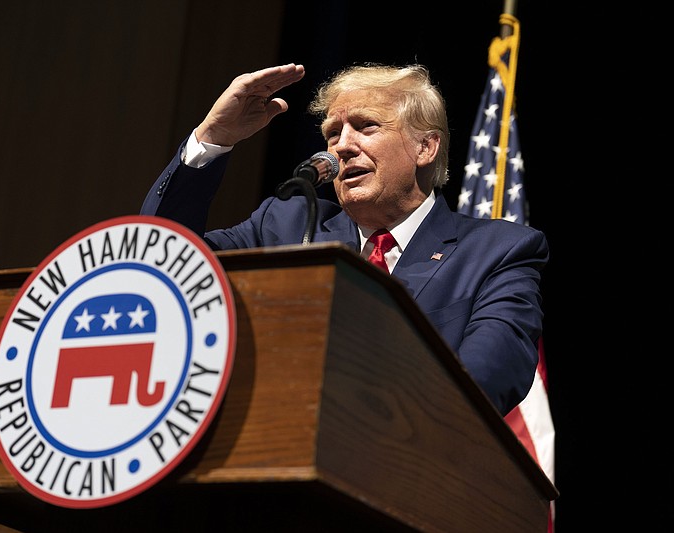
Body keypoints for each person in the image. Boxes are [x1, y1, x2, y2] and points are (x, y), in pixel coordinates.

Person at [141, 63, 548, 416]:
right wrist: (214, 138)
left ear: (425, 147)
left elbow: (490, 375)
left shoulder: (497, 251)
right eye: (332, 133)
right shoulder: (287, 224)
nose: (342, 147)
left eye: (366, 126)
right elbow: (163, 265)